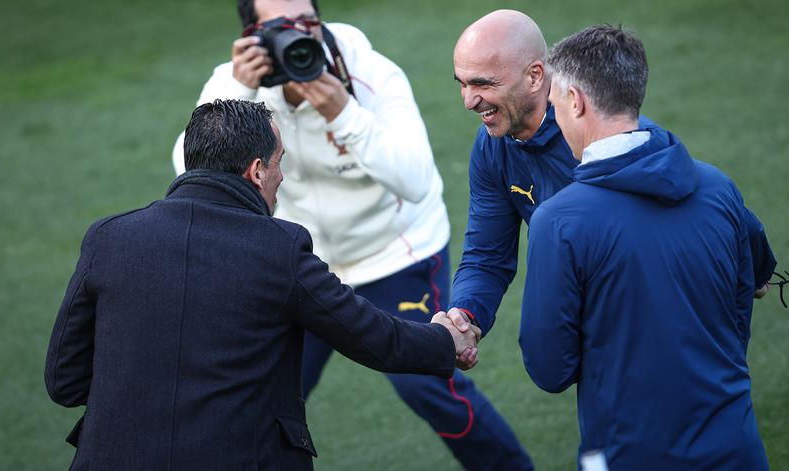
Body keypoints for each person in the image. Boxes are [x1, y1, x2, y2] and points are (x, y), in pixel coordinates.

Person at [171, 1, 533, 468]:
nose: (299, 36)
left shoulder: (369, 73)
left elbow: (417, 179)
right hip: (301, 264)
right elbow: (189, 171)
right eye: (280, 26)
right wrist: (239, 84)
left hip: (395, 252)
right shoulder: (235, 87)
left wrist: (344, 113)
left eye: (307, 22)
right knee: (260, 389)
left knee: (428, 384)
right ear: (250, 36)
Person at [45, 99, 481, 470]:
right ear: (256, 171)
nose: (282, 177)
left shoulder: (109, 237)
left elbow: (64, 381)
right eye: (279, 163)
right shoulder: (280, 249)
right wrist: (446, 340)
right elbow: (374, 338)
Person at [520, 25, 772, 469]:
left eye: (556, 106)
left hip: (628, 454)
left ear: (575, 101)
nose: (556, 119)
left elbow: (549, 368)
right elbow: (748, 291)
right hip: (736, 447)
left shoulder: (559, 222)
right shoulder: (718, 188)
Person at [447, 9, 774, 337]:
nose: (468, 100)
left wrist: (757, 266)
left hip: (665, 322)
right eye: (461, 83)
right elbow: (487, 254)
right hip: (605, 338)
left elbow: (702, 194)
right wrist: (465, 315)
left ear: (534, 76)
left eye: (482, 84)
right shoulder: (494, 147)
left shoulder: (606, 136)